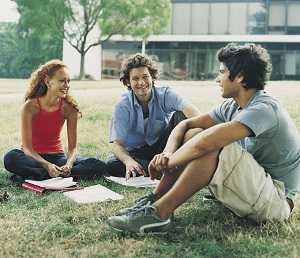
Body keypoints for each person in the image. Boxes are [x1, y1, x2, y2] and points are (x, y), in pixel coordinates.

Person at [108, 43, 300, 234]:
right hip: (254, 187)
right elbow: (185, 125)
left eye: (222, 72)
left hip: (275, 201)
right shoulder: (232, 106)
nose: (218, 79)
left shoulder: (264, 109)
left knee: (212, 146)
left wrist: (167, 163)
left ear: (240, 76)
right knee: (195, 133)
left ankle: (159, 214)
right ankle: (155, 198)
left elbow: (207, 143)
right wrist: (167, 154)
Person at [3, 60, 107, 182]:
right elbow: (27, 148)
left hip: (57, 158)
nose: (67, 85)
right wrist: (47, 165)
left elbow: (73, 149)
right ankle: (52, 174)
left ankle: (37, 175)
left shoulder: (69, 109)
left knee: (98, 165)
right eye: (62, 81)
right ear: (48, 82)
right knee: (10, 158)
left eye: (68, 81)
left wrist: (68, 164)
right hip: (33, 157)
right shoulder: (30, 107)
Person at [107, 53, 200, 179]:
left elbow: (196, 115)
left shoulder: (166, 94)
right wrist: (129, 161)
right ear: (128, 81)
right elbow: (117, 144)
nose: (141, 82)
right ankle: (166, 168)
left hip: (165, 146)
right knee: (113, 165)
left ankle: (172, 163)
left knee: (182, 116)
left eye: (145, 77)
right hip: (137, 152)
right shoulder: (122, 106)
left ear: (152, 77)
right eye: (135, 79)